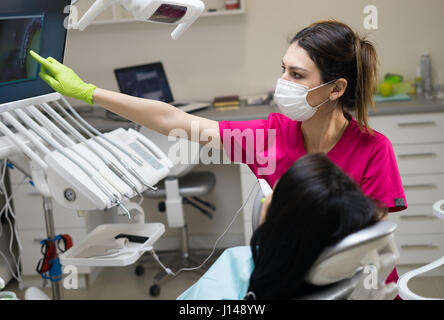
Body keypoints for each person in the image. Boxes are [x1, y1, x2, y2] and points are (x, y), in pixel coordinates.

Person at [30, 19, 407, 291]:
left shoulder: (374, 150)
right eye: (283, 70)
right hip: (287, 277)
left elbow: (364, 244)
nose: (282, 84)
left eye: (297, 75)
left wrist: (280, 212)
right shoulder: (270, 136)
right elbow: (172, 120)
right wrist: (89, 92)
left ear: (335, 88)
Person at [177, 153, 383, 300]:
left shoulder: (232, 269)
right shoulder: (342, 272)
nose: (267, 197)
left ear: (281, 223)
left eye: (275, 193)